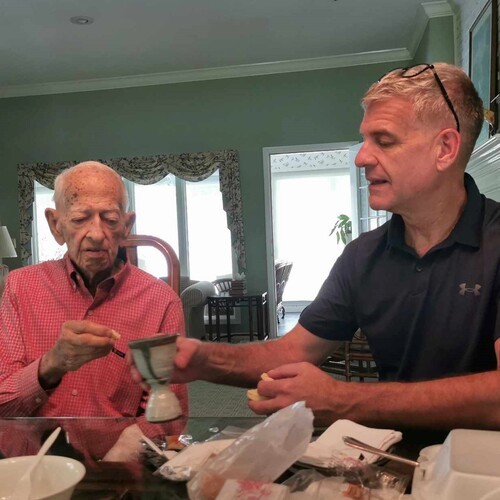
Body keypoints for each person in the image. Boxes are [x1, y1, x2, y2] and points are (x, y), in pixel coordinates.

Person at [134, 62, 500, 433]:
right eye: (365, 139)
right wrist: (203, 358)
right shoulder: (363, 256)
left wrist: (343, 400)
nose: (361, 157)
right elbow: (294, 351)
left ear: (445, 148)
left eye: (385, 140)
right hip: (395, 455)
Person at [0, 161, 187, 458]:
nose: (97, 234)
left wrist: (120, 456)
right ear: (56, 225)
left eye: (110, 219)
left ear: (126, 226)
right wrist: (53, 364)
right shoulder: (20, 287)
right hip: (32, 465)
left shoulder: (161, 301)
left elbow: (170, 413)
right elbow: (3, 403)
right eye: (80, 219)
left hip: (116, 464)